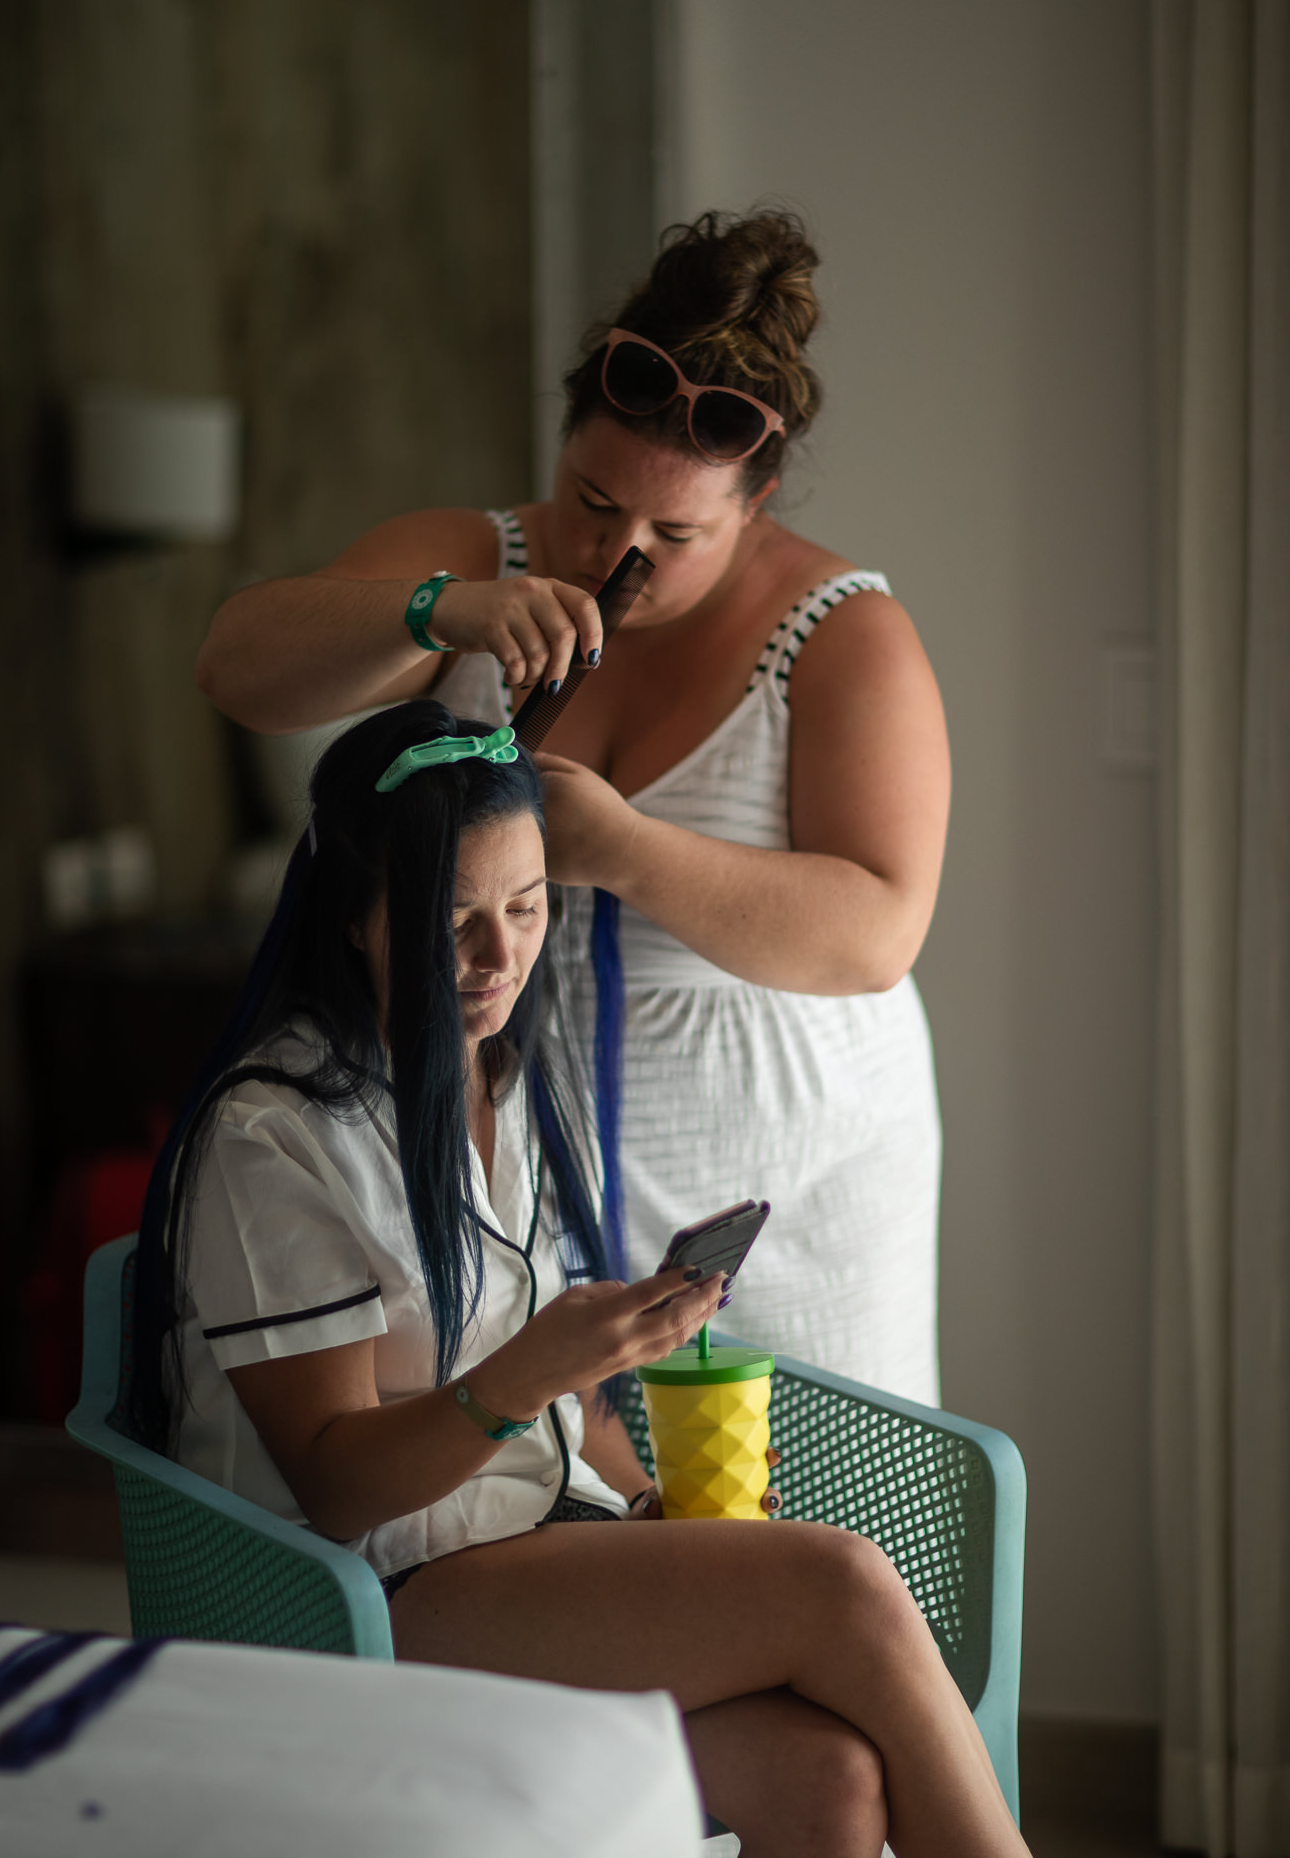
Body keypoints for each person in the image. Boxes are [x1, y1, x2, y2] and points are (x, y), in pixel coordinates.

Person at [132, 704, 1025, 1858]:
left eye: (526, 905)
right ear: (356, 917)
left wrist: (645, 1488)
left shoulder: (505, 1079)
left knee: (833, 1782)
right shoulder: (278, 1135)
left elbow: (577, 1411)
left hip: (542, 1537)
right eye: (452, 920)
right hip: (378, 1592)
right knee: (843, 1584)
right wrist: (522, 1376)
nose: (499, 956)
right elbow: (339, 1487)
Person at [196, 209, 951, 1400]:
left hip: (787, 1190)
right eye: (594, 500)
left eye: (676, 530)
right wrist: (434, 613)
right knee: (570, 1511)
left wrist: (629, 850)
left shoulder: (846, 635)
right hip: (512, 1169)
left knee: (793, 1517)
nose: (618, 549)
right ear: (562, 442)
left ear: (754, 505)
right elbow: (236, 667)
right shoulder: (471, 555)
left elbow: (879, 932)